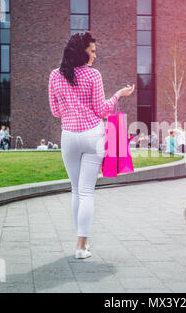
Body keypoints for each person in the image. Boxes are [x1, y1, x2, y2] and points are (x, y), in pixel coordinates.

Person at [48, 31, 135, 259]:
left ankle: (80, 244)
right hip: (92, 136)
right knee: (87, 192)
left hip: (69, 137)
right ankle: (81, 247)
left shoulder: (55, 76)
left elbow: (55, 111)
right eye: (92, 51)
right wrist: (118, 94)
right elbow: (102, 110)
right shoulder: (93, 76)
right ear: (82, 51)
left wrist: (71, 108)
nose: (95, 56)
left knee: (76, 191)